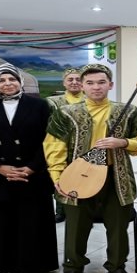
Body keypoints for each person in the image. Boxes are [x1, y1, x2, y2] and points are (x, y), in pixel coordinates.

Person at [44, 64, 137, 273]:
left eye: (101, 82)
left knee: (118, 225)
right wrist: (57, 176)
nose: (96, 87)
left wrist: (123, 142)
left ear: (110, 85)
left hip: (116, 177)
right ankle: (73, 266)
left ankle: (117, 266)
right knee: (75, 225)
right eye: (90, 83)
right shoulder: (66, 112)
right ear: (82, 86)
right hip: (77, 176)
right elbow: (54, 145)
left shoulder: (128, 111)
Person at [0, 63, 59, 273]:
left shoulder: (40, 106)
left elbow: (50, 140)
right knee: (5, 223)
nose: (7, 83)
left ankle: (35, 266)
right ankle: (9, 264)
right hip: (0, 176)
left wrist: (31, 167)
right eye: (1, 80)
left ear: (21, 81)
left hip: (33, 174)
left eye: (12, 79)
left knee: (33, 222)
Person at [46, 66, 84, 222]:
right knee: (60, 177)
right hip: (60, 146)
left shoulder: (90, 100)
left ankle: (84, 211)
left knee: (84, 178)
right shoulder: (53, 102)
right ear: (64, 82)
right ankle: (60, 210)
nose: (74, 82)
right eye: (70, 79)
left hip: (84, 147)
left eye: (78, 79)